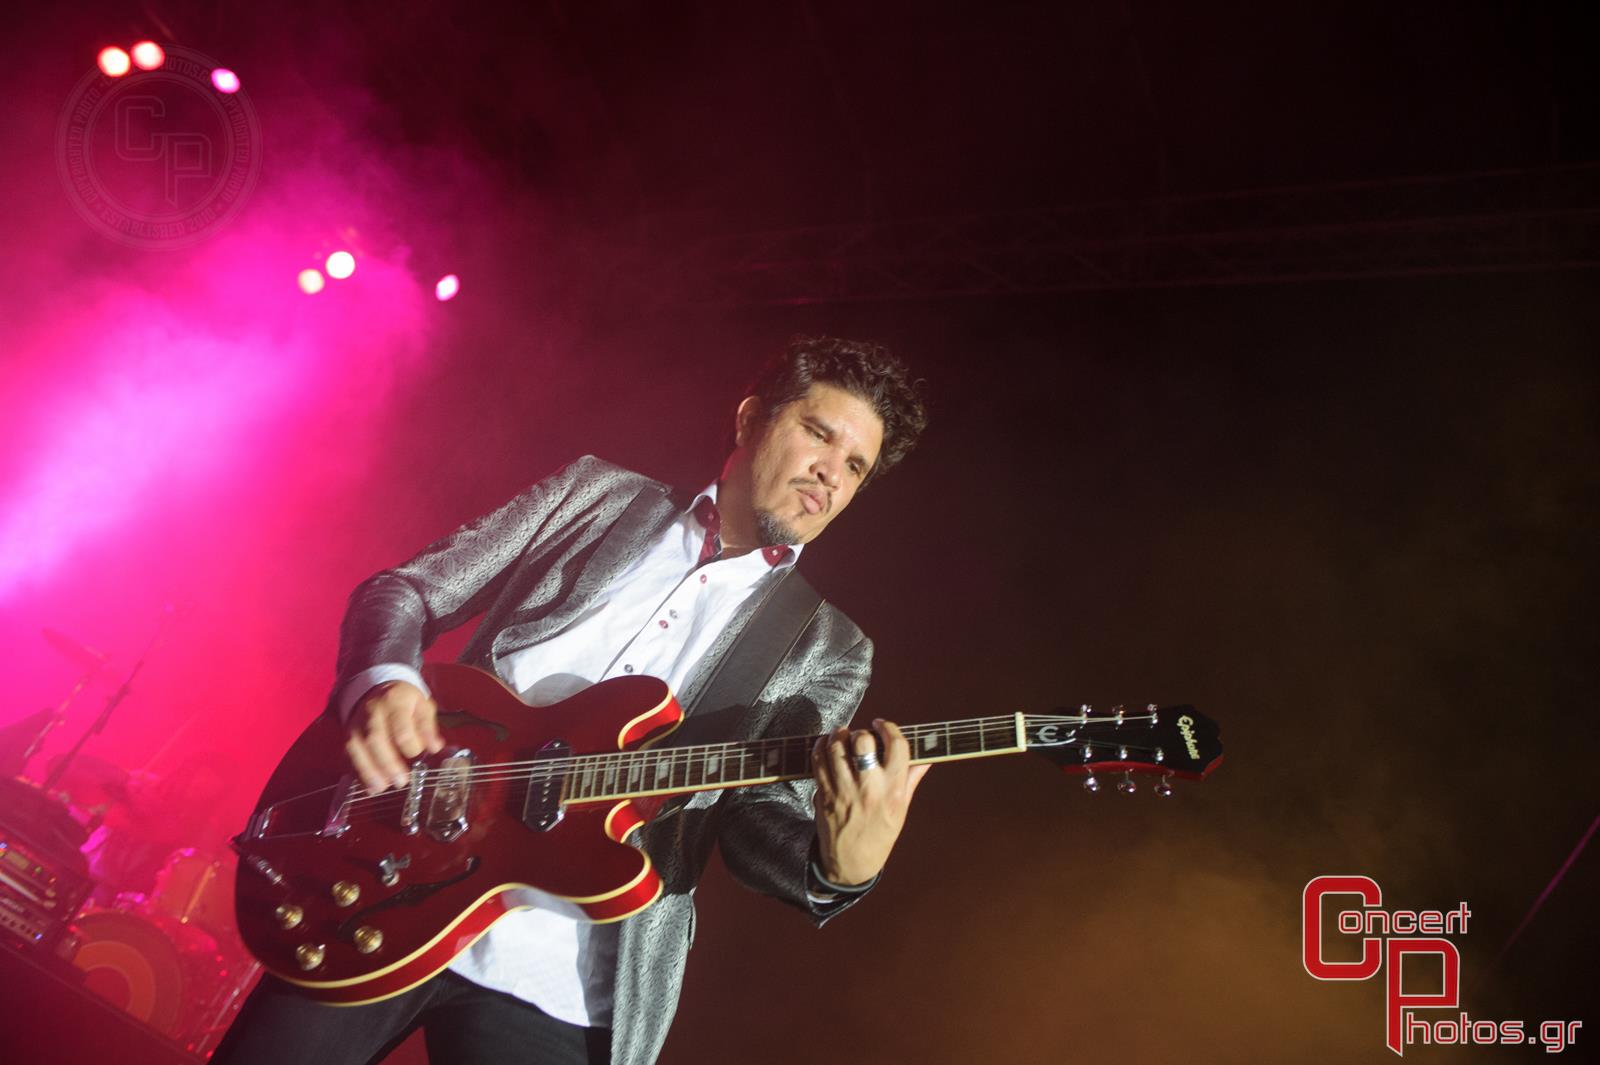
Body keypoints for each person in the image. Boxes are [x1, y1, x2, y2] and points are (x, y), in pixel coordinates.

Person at [212, 335, 930, 1065]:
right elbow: (407, 591)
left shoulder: (827, 647)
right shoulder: (598, 496)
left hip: (563, 979)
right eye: (819, 434)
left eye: (855, 467)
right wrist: (385, 680)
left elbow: (757, 821)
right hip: (390, 875)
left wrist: (839, 868)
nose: (830, 474)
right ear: (750, 420)